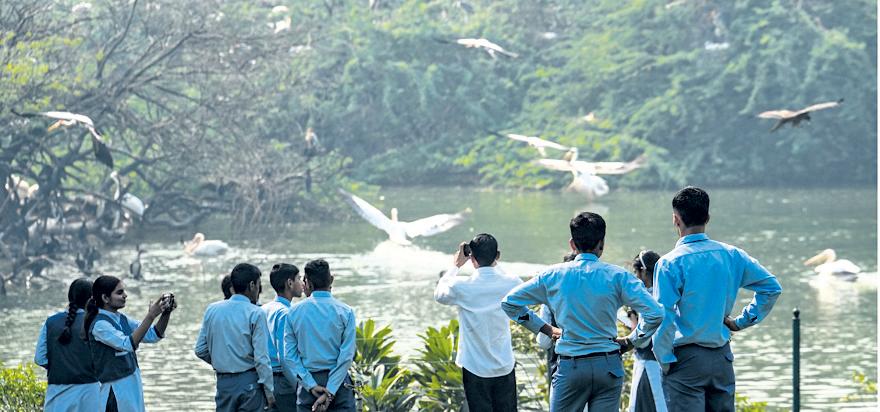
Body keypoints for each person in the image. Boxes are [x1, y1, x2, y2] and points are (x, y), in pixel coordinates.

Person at [502, 212, 664, 412]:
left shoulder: (552, 275)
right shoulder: (618, 277)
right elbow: (656, 313)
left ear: (572, 243)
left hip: (571, 367)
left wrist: (545, 329)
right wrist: (632, 340)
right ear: (601, 244)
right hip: (608, 366)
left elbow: (509, 303)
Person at [652, 186, 783, 412]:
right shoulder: (731, 255)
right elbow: (771, 288)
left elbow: (663, 316)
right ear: (708, 217)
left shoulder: (669, 263)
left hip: (685, 359)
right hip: (721, 358)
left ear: (676, 220)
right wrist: (741, 321)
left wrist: (664, 360)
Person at [434, 233, 523, 412]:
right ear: (497, 256)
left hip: (474, 367)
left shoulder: (461, 287)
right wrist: (495, 262)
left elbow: (439, 294)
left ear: (472, 258)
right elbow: (521, 291)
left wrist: (456, 266)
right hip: (504, 365)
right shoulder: (511, 283)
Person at [83, 275, 175, 412]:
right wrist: (150, 316)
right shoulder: (100, 325)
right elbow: (128, 344)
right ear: (105, 298)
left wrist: (166, 312)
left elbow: (153, 334)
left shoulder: (122, 319)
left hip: (132, 385)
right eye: (119, 293)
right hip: (116, 391)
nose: (125, 295)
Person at [195, 263, 275, 412]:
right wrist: (269, 392)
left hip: (223, 384)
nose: (259, 289)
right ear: (252, 285)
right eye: (258, 284)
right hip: (250, 382)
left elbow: (200, 350)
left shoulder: (212, 310)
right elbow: (261, 358)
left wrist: (223, 360)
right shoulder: (256, 313)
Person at [282, 259, 356, 412]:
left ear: (307, 283)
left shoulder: (294, 312)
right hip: (340, 384)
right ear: (331, 280)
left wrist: (310, 385)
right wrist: (331, 390)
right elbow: (346, 356)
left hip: (309, 385)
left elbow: (289, 356)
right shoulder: (346, 311)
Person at [35, 278, 100, 412]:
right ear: (92, 299)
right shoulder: (96, 322)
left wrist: (61, 368)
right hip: (90, 392)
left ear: (70, 296)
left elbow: (40, 358)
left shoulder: (50, 322)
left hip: (56, 392)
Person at [625, 250, 666, 412]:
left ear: (643, 272)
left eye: (636, 272)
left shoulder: (645, 299)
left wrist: (632, 320)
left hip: (648, 364)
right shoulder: (667, 294)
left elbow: (642, 340)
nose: (635, 277)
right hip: (668, 363)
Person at [263, 263, 304, 412]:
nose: (302, 283)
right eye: (299, 278)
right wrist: (300, 388)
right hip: (283, 380)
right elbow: (285, 357)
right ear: (290, 283)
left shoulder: (264, 309)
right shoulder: (286, 313)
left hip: (265, 378)